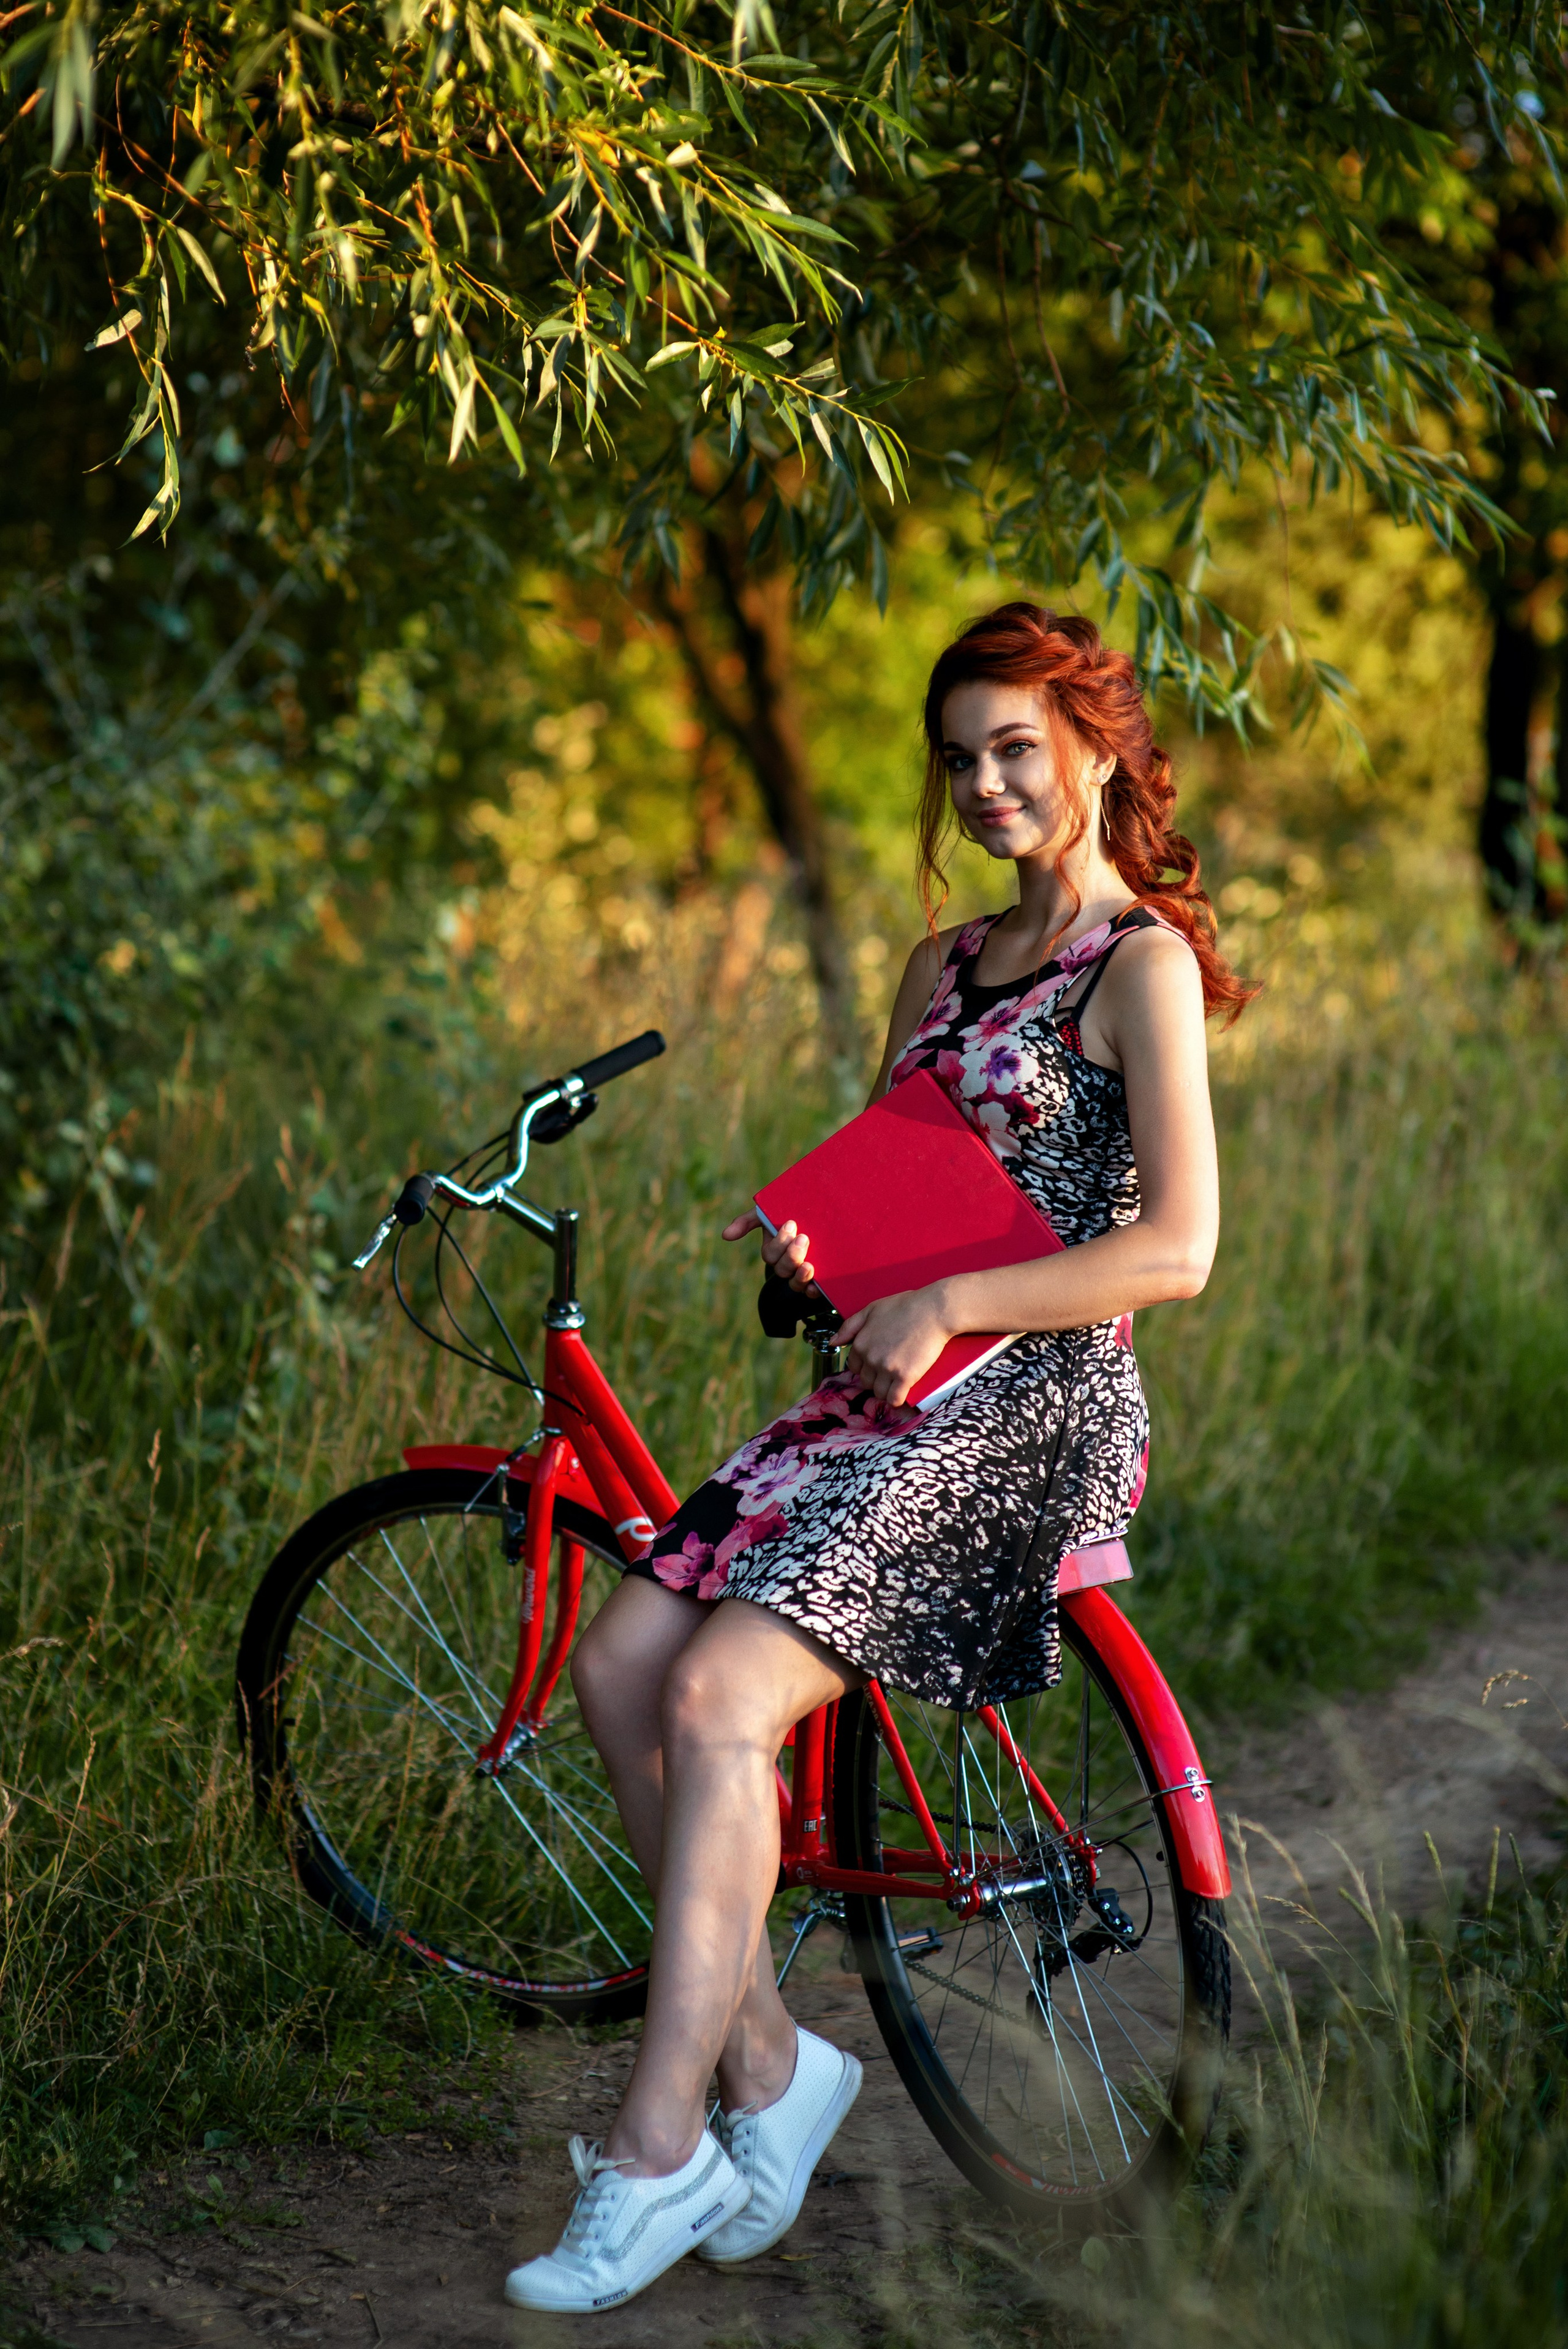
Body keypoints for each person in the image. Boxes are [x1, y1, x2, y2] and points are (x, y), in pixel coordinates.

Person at [503, 601, 1254, 2313]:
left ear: (1097, 754)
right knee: (620, 1670)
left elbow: (1180, 1249)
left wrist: (951, 1299)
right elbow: (898, 1200)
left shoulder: (1138, 969)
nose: (987, 784)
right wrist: (819, 1262)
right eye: (960, 757)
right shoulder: (939, 967)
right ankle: (771, 2064)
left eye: (1018, 748)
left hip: (1029, 1409)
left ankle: (656, 2151)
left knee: (718, 1699)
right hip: (878, 1398)